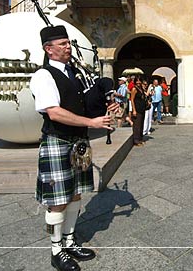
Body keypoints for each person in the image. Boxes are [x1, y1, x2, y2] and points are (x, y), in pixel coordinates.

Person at [30, 24, 118, 271]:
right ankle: (56, 249)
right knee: (57, 199)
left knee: (76, 193)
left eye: (68, 43)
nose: (69, 47)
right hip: (57, 141)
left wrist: (105, 108)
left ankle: (69, 241)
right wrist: (92, 123)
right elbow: (54, 112)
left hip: (78, 142)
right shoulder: (43, 75)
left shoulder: (74, 73)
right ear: (49, 49)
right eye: (63, 44)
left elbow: (85, 106)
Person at [130, 76, 147, 147]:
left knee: (141, 124)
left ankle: (140, 138)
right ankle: (136, 140)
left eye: (140, 81)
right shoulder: (134, 89)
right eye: (137, 81)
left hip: (142, 108)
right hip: (137, 109)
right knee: (137, 125)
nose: (138, 82)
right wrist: (134, 110)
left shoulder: (141, 89)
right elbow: (132, 100)